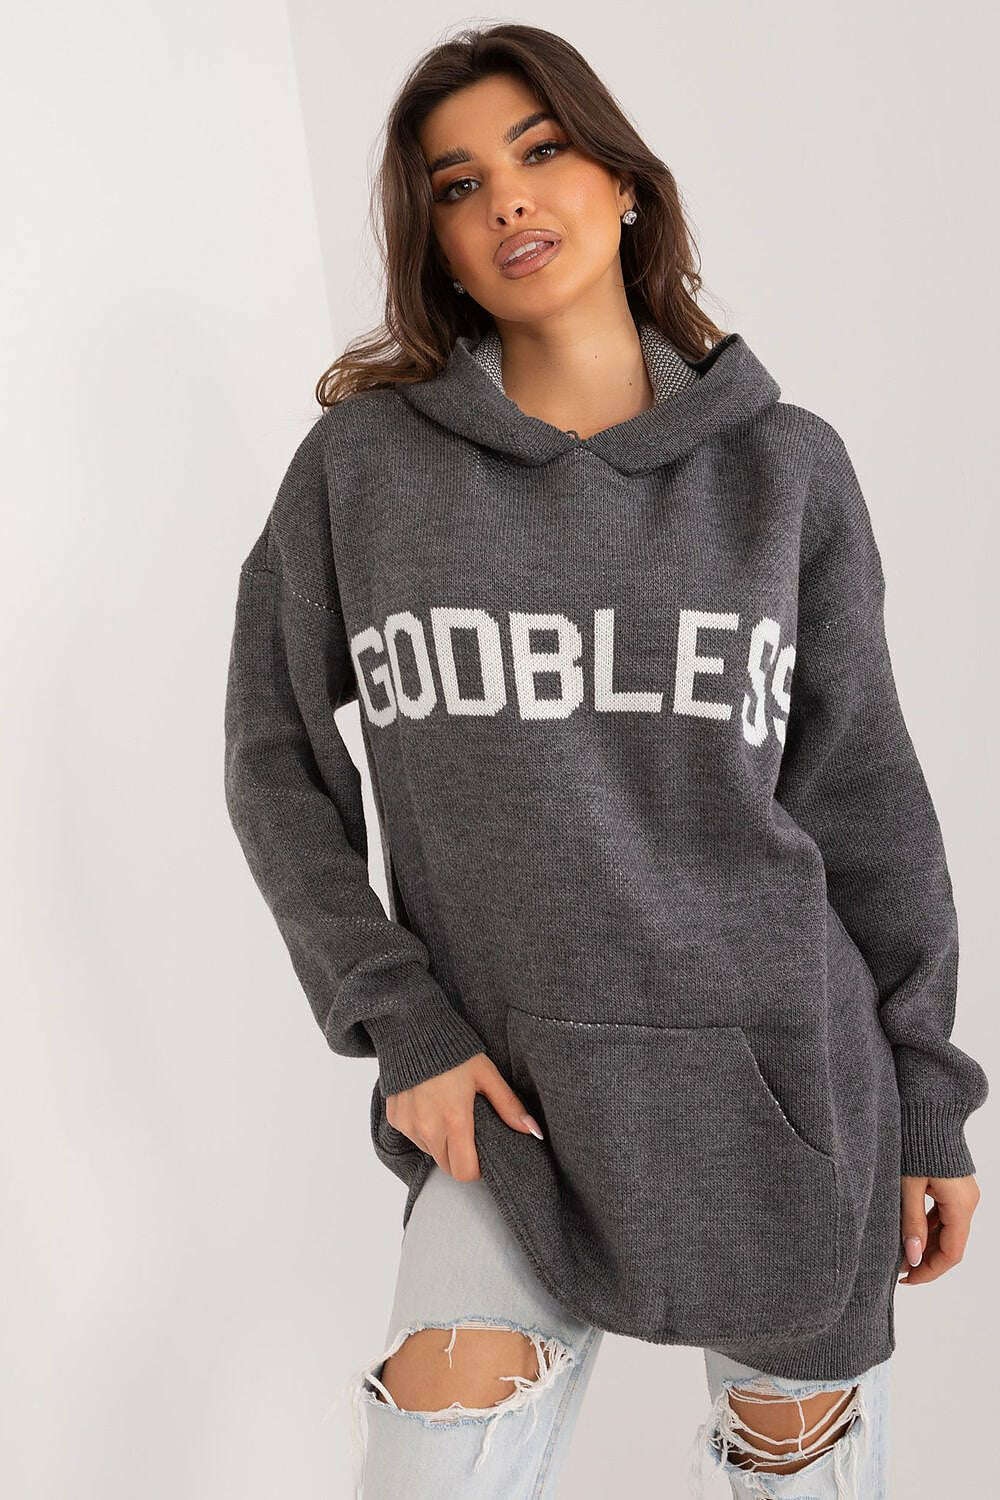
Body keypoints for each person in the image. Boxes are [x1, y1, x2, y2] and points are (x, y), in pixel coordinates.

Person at [222, 23, 989, 1499]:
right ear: (436, 243)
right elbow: (273, 759)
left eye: (542, 151)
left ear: (623, 183)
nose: (507, 199)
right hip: (505, 1106)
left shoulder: (786, 470)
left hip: (784, 1100)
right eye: (458, 186)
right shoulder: (364, 476)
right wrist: (400, 1023)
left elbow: (867, 799)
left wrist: (929, 1101)